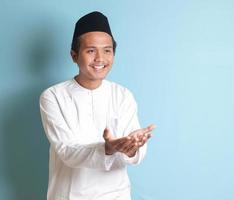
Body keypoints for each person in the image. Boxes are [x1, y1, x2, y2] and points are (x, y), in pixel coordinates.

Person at [39, 11, 156, 200]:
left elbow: (135, 151)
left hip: (116, 195)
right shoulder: (53, 96)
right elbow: (67, 151)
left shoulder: (123, 95)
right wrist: (108, 148)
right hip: (69, 195)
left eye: (107, 50)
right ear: (74, 55)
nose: (100, 58)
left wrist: (132, 146)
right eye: (91, 50)